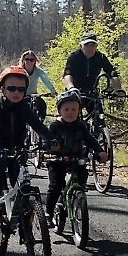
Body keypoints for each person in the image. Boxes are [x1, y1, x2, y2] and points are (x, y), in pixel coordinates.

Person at [0, 66, 53, 230]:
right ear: (3, 89)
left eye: (21, 89)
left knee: (19, 180)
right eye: (12, 88)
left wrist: (51, 140)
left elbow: (38, 126)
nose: (16, 92)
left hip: (18, 150)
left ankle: (24, 211)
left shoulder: (26, 109)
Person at [44, 90, 107, 226]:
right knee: (55, 185)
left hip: (76, 158)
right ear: (60, 111)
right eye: (66, 109)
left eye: (74, 109)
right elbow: (47, 140)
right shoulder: (55, 126)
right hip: (57, 160)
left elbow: (91, 140)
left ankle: (77, 196)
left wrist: (99, 151)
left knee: (81, 176)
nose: (70, 112)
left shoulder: (80, 126)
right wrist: (50, 148)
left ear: (79, 111)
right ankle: (48, 212)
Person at [20, 50, 58, 120]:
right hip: (21, 96)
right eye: (27, 59)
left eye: (32, 60)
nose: (29, 62)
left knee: (42, 105)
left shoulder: (38, 71)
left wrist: (52, 90)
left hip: (34, 96)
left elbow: (46, 80)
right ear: (23, 60)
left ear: (35, 61)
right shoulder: (19, 71)